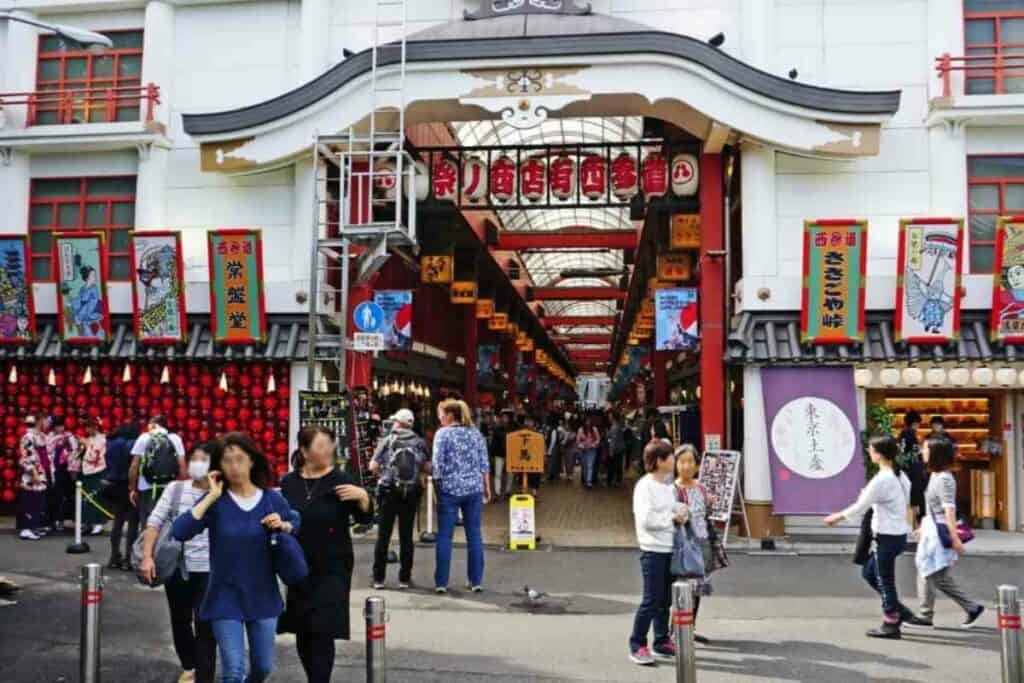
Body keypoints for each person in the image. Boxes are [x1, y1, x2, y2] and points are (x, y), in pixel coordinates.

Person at [172, 432, 300, 683]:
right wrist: (210, 495)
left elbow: (295, 521)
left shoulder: (271, 499)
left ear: (252, 461)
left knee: (263, 667)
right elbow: (180, 531)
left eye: (240, 459)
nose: (234, 466)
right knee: (233, 671)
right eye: (227, 461)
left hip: (262, 595)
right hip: (224, 596)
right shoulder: (217, 502)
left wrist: (284, 526)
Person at [280, 426, 373, 683]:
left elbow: (365, 519)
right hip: (298, 564)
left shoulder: (343, 479)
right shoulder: (288, 482)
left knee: (322, 629)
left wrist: (364, 497)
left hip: (334, 565)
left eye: (329, 444)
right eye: (320, 446)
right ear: (304, 451)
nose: (328, 450)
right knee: (304, 629)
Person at [140, 443, 218, 683]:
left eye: (203, 459)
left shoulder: (221, 493)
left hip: (209, 569)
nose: (197, 464)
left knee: (206, 624)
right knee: (180, 618)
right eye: (194, 459)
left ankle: (205, 674)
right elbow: (154, 523)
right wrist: (147, 556)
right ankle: (189, 665)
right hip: (177, 566)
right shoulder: (175, 489)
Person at [824, 435, 914, 639]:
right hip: (897, 534)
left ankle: (891, 622)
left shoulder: (883, 479)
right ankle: (899, 611)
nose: (868, 452)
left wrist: (835, 518)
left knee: (884, 579)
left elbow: (860, 506)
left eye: (871, 449)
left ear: (879, 454)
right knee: (870, 572)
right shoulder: (900, 476)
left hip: (887, 535)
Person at [904, 436, 985, 630]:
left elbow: (949, 509)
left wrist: (955, 538)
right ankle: (971, 608)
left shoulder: (945, 479)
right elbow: (935, 508)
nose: (922, 452)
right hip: (933, 528)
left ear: (936, 454)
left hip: (940, 532)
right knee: (935, 574)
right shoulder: (935, 475)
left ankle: (926, 615)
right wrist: (923, 526)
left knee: (930, 572)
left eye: (925, 449)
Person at [629, 441, 684, 666]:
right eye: (671, 457)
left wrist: (681, 512)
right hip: (653, 550)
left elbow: (672, 511)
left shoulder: (668, 487)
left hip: (669, 548)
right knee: (651, 601)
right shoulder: (645, 486)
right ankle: (637, 644)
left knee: (665, 600)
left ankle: (661, 641)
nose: (674, 461)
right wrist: (672, 519)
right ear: (660, 461)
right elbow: (646, 520)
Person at [432, 399, 491, 594]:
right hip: (474, 489)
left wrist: (436, 486)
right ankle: (476, 581)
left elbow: (437, 465)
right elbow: (484, 464)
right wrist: (487, 487)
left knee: (445, 536)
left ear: (449, 415)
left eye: (441, 413)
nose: (439, 417)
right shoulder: (475, 434)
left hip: (449, 490)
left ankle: (441, 582)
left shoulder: (442, 434)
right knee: (474, 534)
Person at [672, 444, 726, 645]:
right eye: (682, 462)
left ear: (696, 465)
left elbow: (704, 516)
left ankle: (690, 628)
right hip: (684, 548)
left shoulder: (702, 488)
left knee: (697, 590)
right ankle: (675, 631)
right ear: (676, 464)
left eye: (690, 462)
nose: (686, 466)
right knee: (682, 590)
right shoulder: (673, 490)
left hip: (702, 544)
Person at [369, 409, 428, 589]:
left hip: (388, 491)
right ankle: (404, 578)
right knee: (406, 536)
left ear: (398, 423)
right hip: (410, 492)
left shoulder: (387, 441)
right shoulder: (419, 442)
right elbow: (427, 467)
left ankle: (379, 579)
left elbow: (372, 466)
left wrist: (383, 476)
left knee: (383, 536)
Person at [130, 415, 187, 545]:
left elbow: (134, 466)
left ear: (153, 424)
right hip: (169, 487)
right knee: (168, 522)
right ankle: (166, 557)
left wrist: (132, 488)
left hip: (147, 487)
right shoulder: (175, 438)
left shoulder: (144, 437)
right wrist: (183, 488)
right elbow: (182, 465)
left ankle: (147, 556)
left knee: (148, 523)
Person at [105, 422, 141, 570]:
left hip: (114, 483)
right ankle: (128, 559)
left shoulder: (111, 443)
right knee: (133, 523)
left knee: (117, 521)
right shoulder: (134, 444)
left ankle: (114, 556)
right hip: (129, 484)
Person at [69, 418, 108, 536]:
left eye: (91, 427)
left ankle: (98, 523)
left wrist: (87, 444)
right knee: (86, 499)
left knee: (96, 498)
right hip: (85, 472)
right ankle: (87, 522)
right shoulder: (88, 439)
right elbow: (79, 455)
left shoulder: (102, 439)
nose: (88, 429)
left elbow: (95, 457)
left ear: (96, 427)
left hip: (97, 471)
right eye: (87, 427)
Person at [16, 415, 49, 541]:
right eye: (44, 420)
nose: (46, 422)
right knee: (30, 500)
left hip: (40, 471)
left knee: (38, 501)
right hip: (31, 474)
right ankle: (26, 529)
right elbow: (25, 457)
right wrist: (33, 472)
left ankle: (34, 526)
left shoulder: (39, 436)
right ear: (39, 421)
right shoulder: (27, 436)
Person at [45, 416, 78, 532]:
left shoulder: (69, 436)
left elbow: (75, 451)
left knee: (68, 496)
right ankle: (54, 520)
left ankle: (67, 519)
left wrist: (72, 466)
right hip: (54, 469)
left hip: (66, 470)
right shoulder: (48, 437)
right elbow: (47, 453)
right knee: (55, 496)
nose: (60, 428)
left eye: (61, 425)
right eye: (58, 426)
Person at [898, 410, 927, 522]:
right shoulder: (910, 433)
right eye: (917, 423)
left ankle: (914, 520)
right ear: (914, 423)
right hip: (913, 469)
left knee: (911, 494)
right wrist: (922, 450)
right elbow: (914, 451)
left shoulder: (903, 433)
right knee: (916, 495)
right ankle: (917, 520)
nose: (918, 426)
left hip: (906, 468)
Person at [489, 410, 511, 501]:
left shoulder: (512, 427)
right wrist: (492, 454)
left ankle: (507, 491)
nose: (505, 419)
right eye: (503, 417)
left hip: (509, 454)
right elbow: (494, 443)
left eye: (507, 417)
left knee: (510, 474)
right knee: (498, 474)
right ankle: (497, 493)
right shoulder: (497, 428)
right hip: (499, 454)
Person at [576, 418, 601, 489]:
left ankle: (589, 482)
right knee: (584, 466)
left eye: (589, 422)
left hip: (592, 450)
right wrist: (581, 445)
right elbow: (577, 441)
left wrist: (594, 444)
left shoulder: (594, 429)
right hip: (583, 450)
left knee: (590, 465)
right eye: (586, 422)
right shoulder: (580, 430)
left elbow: (598, 439)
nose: (588, 423)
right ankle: (586, 478)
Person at [607, 412, 627, 488]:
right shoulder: (617, 425)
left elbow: (613, 440)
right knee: (618, 465)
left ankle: (613, 481)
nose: (609, 418)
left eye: (610, 416)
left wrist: (611, 451)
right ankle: (618, 481)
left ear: (613, 418)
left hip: (616, 449)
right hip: (619, 448)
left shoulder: (615, 427)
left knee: (613, 465)